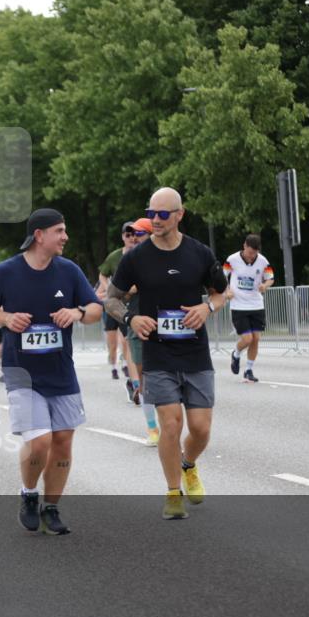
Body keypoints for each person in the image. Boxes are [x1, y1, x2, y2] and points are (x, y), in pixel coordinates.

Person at [0, 208, 103, 535]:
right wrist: (7, 319)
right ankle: (29, 493)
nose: (65, 237)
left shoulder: (69, 271)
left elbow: (95, 309)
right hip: (22, 372)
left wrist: (77, 313)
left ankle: (51, 507)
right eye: (59, 231)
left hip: (61, 372)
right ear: (39, 235)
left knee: (62, 441)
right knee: (39, 442)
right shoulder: (7, 271)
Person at [106, 188, 228, 520]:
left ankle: (188, 464)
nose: (156, 220)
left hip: (195, 352)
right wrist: (131, 318)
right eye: (151, 213)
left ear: (179, 215)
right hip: (158, 353)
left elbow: (221, 293)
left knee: (200, 428)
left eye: (162, 214)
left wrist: (206, 308)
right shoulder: (136, 257)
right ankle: (173, 492)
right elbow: (111, 299)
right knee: (171, 424)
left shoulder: (200, 253)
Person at [97, 218, 159, 444]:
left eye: (140, 234)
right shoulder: (127, 261)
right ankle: (152, 428)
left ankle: (170, 427)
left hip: (165, 325)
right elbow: (112, 296)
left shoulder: (166, 257)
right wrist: (129, 292)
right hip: (136, 322)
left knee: (168, 378)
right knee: (144, 380)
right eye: (132, 234)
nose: (135, 238)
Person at [224, 234, 275, 383]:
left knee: (256, 339)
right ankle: (236, 353)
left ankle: (248, 370)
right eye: (250, 252)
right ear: (244, 246)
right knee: (247, 339)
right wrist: (227, 290)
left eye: (255, 253)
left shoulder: (263, 261)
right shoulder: (232, 259)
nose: (251, 256)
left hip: (256, 304)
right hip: (238, 305)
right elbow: (221, 276)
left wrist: (265, 285)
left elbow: (270, 278)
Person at [98, 221, 140, 382]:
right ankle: (113, 366)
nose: (131, 238)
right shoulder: (114, 257)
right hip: (113, 304)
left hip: (130, 305)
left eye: (134, 234)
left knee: (127, 340)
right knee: (112, 343)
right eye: (128, 235)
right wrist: (108, 289)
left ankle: (128, 370)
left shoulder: (142, 255)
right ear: (123, 237)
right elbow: (102, 275)